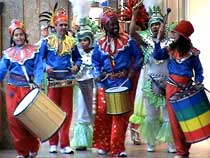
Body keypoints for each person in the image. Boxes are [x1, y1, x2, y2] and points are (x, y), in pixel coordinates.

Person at [92, 8, 143, 157]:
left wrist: (133, 70)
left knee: (120, 116)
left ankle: (118, 148)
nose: (115, 26)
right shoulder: (99, 43)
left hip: (123, 82)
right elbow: (95, 62)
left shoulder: (128, 41)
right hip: (105, 83)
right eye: (111, 24)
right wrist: (97, 74)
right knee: (103, 113)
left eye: (116, 23)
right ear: (104, 27)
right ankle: (104, 144)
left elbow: (139, 57)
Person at [153, 20, 204, 158]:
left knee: (188, 121)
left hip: (187, 90)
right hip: (172, 89)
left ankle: (185, 148)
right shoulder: (170, 49)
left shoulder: (192, 53)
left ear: (182, 35)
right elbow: (156, 55)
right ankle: (181, 151)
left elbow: (198, 71)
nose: (173, 34)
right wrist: (157, 40)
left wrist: (199, 82)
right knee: (175, 122)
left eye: (175, 33)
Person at [129, 5, 176, 153]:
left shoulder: (170, 42)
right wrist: (134, 15)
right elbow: (132, 33)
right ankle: (151, 141)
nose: (156, 27)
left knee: (169, 115)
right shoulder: (146, 42)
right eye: (153, 24)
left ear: (163, 26)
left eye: (158, 24)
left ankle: (171, 143)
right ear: (150, 27)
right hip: (151, 85)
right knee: (151, 115)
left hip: (168, 84)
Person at [39, 8, 82, 154]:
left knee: (67, 112)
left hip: (67, 81)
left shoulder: (72, 41)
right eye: (60, 25)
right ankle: (53, 142)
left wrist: (76, 66)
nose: (63, 27)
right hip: (52, 81)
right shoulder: (47, 41)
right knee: (52, 112)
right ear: (55, 26)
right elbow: (40, 60)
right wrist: (46, 67)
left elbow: (78, 58)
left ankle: (65, 143)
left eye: (65, 25)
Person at [0, 19, 44, 158]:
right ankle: (21, 151)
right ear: (12, 37)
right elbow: (1, 69)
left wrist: (37, 81)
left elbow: (39, 67)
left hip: (28, 88)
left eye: (21, 34)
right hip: (13, 89)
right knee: (14, 120)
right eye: (16, 35)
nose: (19, 37)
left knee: (30, 121)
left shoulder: (33, 51)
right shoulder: (8, 53)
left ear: (25, 35)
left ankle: (33, 146)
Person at [71, 25, 95, 151]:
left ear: (90, 40)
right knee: (82, 111)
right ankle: (81, 141)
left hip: (94, 86)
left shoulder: (96, 52)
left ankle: (99, 138)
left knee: (95, 111)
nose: (82, 43)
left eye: (85, 40)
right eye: (80, 40)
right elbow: (75, 70)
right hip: (81, 86)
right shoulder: (77, 54)